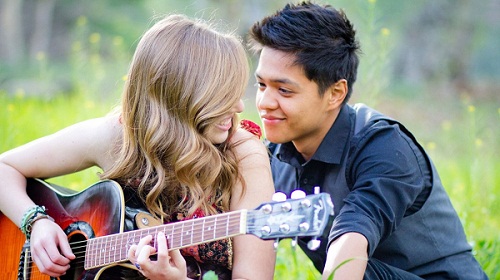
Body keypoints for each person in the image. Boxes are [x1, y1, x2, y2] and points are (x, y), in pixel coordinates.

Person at [0, 14, 276, 280]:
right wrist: (36, 222)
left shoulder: (243, 155)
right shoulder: (119, 136)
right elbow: (5, 167)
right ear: (182, 96)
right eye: (224, 96)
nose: (240, 107)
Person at [248, 2, 488, 279]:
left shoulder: (384, 146)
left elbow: (353, 237)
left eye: (284, 90)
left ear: (336, 93)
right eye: (261, 85)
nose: (265, 102)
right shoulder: (273, 155)